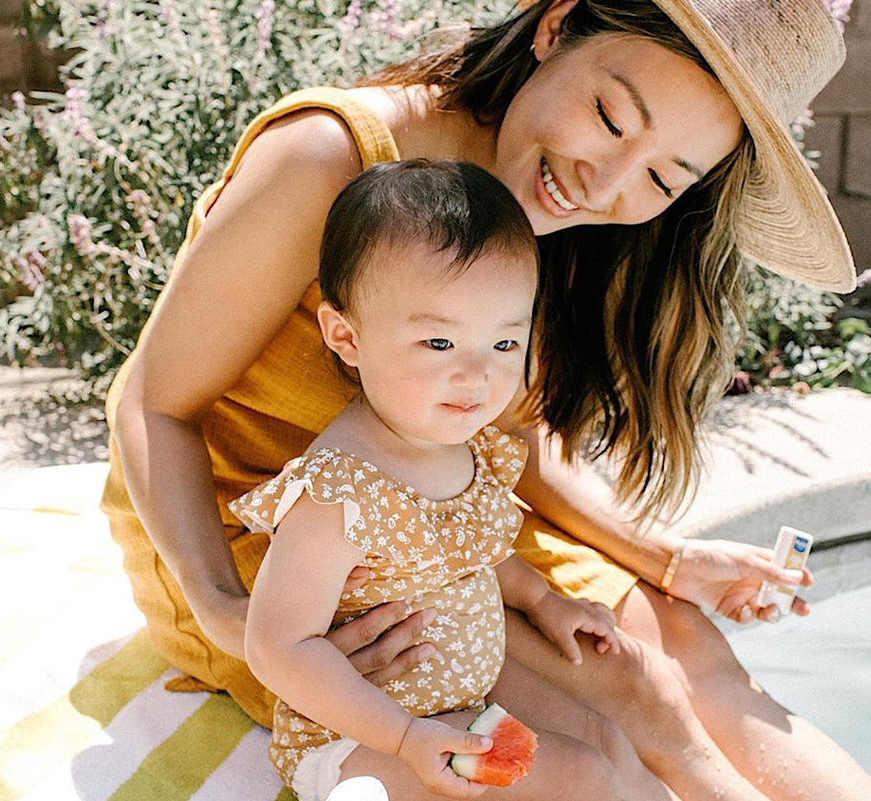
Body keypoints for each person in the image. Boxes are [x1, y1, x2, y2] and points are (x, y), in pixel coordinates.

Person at [103, 1, 871, 799]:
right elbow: (151, 403)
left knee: (687, 658)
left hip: (442, 504)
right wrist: (223, 608)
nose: (607, 182)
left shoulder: (564, 210)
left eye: (662, 176)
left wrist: (669, 559)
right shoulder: (330, 157)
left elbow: (505, 437)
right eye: (611, 117)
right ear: (556, 25)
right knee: (608, 728)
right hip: (264, 543)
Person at [232, 158, 649, 801]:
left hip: (457, 710)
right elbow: (278, 645)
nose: (476, 376)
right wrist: (403, 737)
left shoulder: (460, 444)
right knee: (556, 780)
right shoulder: (341, 493)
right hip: (359, 742)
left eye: (504, 345)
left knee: (598, 758)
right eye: (438, 344)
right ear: (347, 335)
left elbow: (474, 552)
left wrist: (544, 602)